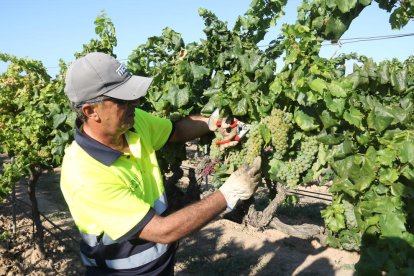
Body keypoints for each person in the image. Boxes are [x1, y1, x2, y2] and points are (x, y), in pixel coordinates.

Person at [60, 52, 261, 275]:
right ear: (91, 111)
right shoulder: (84, 174)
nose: (135, 102)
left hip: (162, 264)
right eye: (122, 99)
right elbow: (161, 231)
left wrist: (212, 122)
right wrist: (229, 193)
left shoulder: (134, 123)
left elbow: (174, 131)